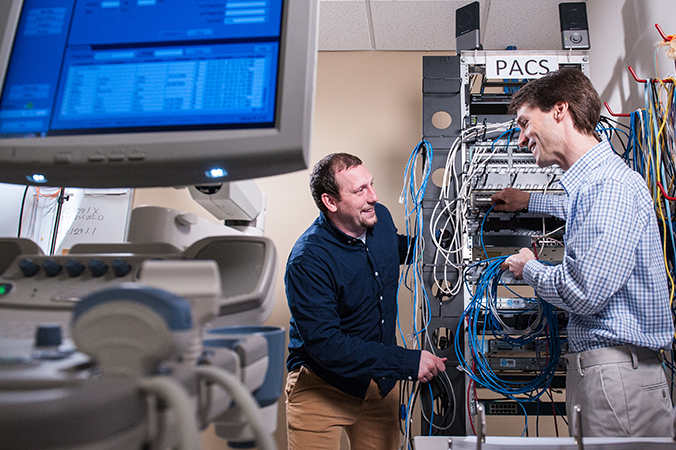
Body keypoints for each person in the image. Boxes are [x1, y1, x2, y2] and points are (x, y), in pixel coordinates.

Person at [491, 68, 674, 437]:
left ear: (560, 110)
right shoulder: (596, 184)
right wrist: (529, 200)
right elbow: (579, 209)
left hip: (617, 374)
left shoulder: (607, 186)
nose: (522, 136)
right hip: (611, 372)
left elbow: (584, 292)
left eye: (526, 122)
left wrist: (530, 268)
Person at [284, 153, 447, 450]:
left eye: (371, 184)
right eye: (360, 191)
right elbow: (327, 345)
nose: (373, 197)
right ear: (330, 202)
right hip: (322, 389)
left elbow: (393, 248)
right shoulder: (308, 260)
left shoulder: (379, 218)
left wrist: (443, 244)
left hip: (378, 385)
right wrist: (407, 361)